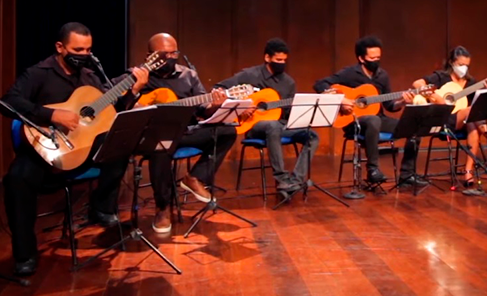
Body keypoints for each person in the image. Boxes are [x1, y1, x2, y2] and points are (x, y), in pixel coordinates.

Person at [1, 22, 148, 276]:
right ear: (60, 47)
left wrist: (133, 89)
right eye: (77, 49)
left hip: (83, 148)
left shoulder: (91, 76)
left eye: (88, 50)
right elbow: (8, 103)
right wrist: (51, 114)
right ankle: (25, 254)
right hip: (46, 150)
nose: (83, 55)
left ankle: (101, 208)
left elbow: (110, 114)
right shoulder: (38, 73)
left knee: (121, 142)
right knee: (17, 179)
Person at [138, 33, 235, 234]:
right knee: (161, 147)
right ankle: (163, 208)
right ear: (150, 56)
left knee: (227, 131)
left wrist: (214, 105)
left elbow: (203, 109)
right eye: (165, 54)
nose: (171, 57)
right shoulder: (138, 76)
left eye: (175, 53)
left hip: (185, 132)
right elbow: (119, 100)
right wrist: (136, 94)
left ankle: (195, 178)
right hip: (153, 135)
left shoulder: (188, 75)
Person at [313, 35, 423, 187]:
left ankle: (407, 174)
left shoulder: (382, 76)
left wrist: (403, 101)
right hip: (354, 120)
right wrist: (340, 100)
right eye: (372, 58)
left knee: (414, 127)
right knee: (373, 120)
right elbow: (320, 84)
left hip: (378, 119)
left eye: (378, 57)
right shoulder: (350, 73)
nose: (376, 61)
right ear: (362, 58)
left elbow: (390, 106)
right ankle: (373, 170)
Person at [215, 38, 318, 194]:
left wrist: (302, 109)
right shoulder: (250, 75)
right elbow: (219, 89)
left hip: (280, 125)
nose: (282, 63)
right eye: (278, 60)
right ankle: (282, 180)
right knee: (272, 125)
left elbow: (288, 113)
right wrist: (240, 107)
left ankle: (295, 181)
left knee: (312, 135)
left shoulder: (288, 82)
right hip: (253, 125)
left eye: (284, 60)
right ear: (267, 58)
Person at [412, 46, 487, 187]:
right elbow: (417, 83)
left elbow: (482, 104)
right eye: (461, 65)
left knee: (473, 123)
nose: (464, 69)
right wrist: (435, 96)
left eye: (467, 66)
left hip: (463, 120)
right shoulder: (441, 77)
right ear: (452, 63)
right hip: (442, 119)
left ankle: (468, 171)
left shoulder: (471, 83)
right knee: (470, 113)